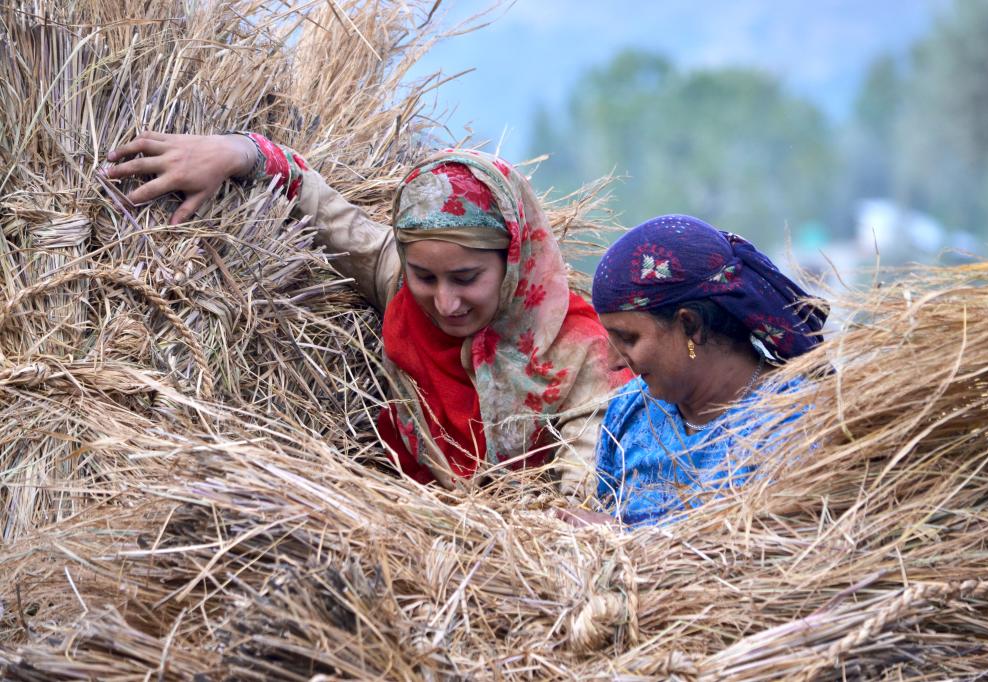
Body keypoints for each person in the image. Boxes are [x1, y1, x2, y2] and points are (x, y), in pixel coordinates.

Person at [103, 132, 630, 498]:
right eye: (426, 276)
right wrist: (235, 152)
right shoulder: (398, 283)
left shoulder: (576, 354)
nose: (445, 303)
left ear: (513, 260)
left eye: (467, 279)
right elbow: (320, 206)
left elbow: (581, 494)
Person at [564, 214, 827, 526]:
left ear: (691, 325)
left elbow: (774, 557)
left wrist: (628, 542)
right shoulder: (628, 413)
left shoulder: (792, 423)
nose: (613, 361)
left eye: (628, 338)